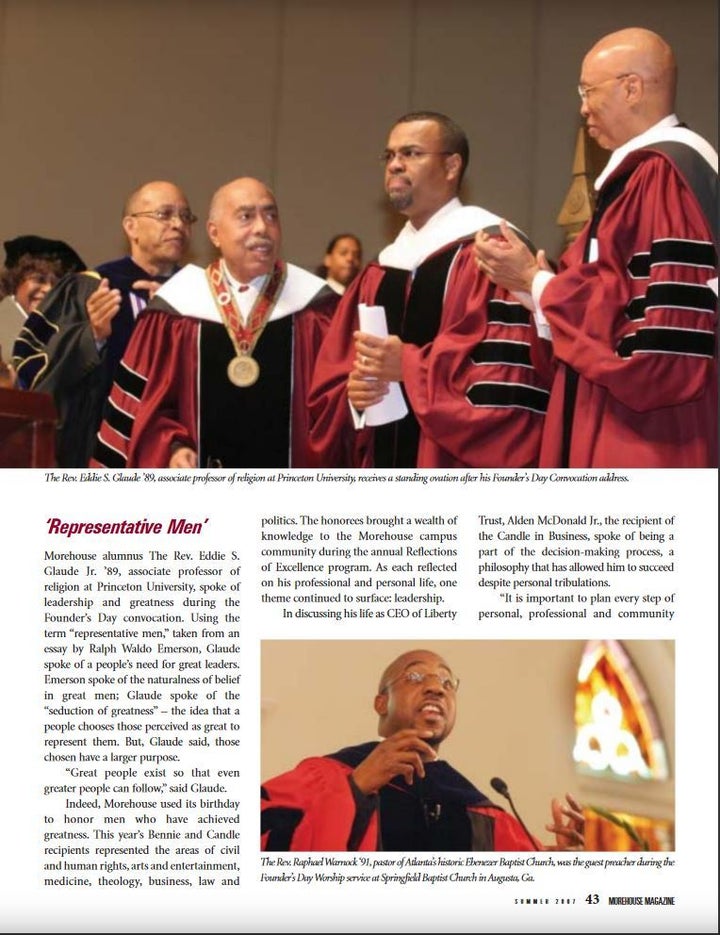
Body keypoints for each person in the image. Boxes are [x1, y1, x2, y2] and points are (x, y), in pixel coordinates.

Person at [474, 28, 718, 468]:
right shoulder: (646, 177)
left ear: (632, 88)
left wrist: (538, 282)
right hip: (622, 413)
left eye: (588, 91)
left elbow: (656, 340)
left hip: (650, 431)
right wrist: (535, 288)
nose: (582, 107)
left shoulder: (663, 177)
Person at [308, 111, 553, 468]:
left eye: (411, 153)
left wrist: (407, 367)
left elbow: (505, 385)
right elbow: (334, 376)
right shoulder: (381, 270)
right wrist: (353, 398)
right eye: (390, 155)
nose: (395, 165)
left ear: (452, 166)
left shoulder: (494, 256)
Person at [90, 177, 338, 469]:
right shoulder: (176, 310)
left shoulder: (318, 309)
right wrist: (173, 447)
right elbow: (145, 409)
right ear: (214, 233)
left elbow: (337, 414)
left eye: (271, 215)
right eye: (246, 216)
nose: (262, 227)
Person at [261, 649, 584, 851]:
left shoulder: (487, 816)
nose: (435, 687)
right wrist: (354, 791)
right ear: (381, 702)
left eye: (447, 682)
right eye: (415, 676)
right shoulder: (325, 777)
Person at [12, 180, 194, 467]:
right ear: (131, 227)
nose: (178, 224)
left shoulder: (202, 296)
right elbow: (32, 370)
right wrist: (91, 337)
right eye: (164, 214)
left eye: (185, 216)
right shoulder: (89, 289)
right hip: (101, 455)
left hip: (181, 456)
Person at [0, 235, 84, 370]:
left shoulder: (67, 334)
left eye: (57, 285)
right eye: (39, 279)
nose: (49, 289)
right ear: (14, 281)